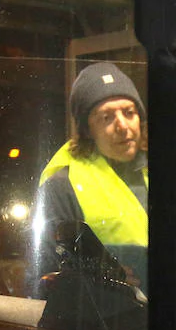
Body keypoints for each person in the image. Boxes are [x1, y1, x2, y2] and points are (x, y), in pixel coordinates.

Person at [34, 62, 147, 286]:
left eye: (129, 112)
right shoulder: (62, 186)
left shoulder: (154, 170)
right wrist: (96, 279)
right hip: (105, 317)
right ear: (87, 130)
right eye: (106, 117)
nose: (123, 126)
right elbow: (42, 275)